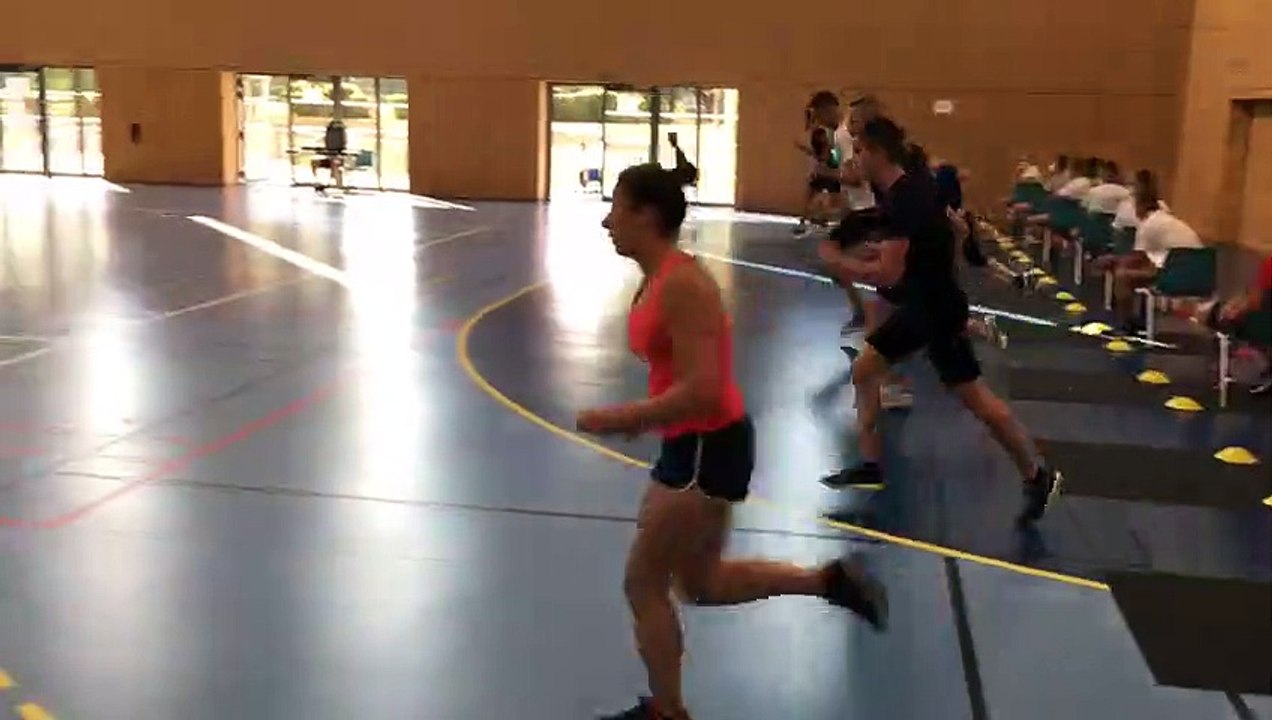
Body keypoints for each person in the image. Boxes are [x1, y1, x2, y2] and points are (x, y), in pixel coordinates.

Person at [578, 163, 888, 720]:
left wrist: (627, 415)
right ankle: (828, 580)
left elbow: (703, 389)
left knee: (642, 583)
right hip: (695, 443)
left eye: (616, 209)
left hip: (704, 445)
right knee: (701, 583)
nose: (606, 222)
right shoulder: (657, 279)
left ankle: (668, 714)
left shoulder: (683, 286)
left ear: (645, 215)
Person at [815, 118, 1062, 524]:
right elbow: (927, 231)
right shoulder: (904, 189)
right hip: (925, 304)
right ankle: (871, 464)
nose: (854, 157)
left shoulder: (906, 198)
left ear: (877, 152)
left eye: (859, 150)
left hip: (935, 311)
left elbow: (888, 276)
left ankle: (1036, 473)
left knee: (977, 400)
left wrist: (839, 262)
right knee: (865, 370)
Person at [1105, 178, 1203, 330]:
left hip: (1175, 277)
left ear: (1141, 206)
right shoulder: (1169, 220)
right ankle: (1139, 318)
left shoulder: (1147, 225)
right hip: (1202, 276)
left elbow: (1136, 258)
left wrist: (1113, 260)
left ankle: (1126, 324)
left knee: (1122, 275)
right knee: (1142, 270)